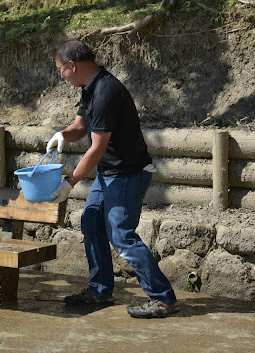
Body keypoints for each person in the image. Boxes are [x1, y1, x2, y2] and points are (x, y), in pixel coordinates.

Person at [48, 40, 179, 318]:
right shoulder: (90, 88)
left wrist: (69, 183)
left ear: (72, 66)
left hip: (128, 174)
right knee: (92, 223)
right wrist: (62, 134)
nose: (61, 75)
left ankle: (162, 298)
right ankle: (100, 290)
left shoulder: (107, 92)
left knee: (121, 236)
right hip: (110, 173)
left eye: (60, 70)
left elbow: (97, 148)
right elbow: (80, 126)